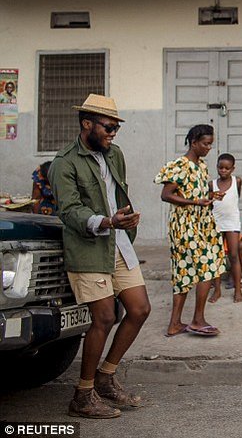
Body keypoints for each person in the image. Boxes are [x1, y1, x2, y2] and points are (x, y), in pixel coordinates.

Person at [49, 93, 150, 419]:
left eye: (116, 128)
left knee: (139, 309)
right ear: (87, 124)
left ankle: (106, 377)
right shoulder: (64, 163)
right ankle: (83, 394)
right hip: (88, 247)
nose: (112, 133)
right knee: (105, 317)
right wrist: (107, 221)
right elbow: (70, 211)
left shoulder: (114, 154)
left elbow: (118, 193)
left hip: (119, 243)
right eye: (108, 127)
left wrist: (126, 218)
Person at [155, 124, 225, 337]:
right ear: (193, 142)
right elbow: (166, 195)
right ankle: (197, 319)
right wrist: (194, 202)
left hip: (202, 223)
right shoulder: (180, 165)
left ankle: (174, 324)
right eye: (205, 144)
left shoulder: (202, 166)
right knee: (207, 266)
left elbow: (199, 192)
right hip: (185, 225)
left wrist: (211, 198)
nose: (208, 148)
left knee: (184, 271)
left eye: (211, 144)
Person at [209, 153, 242, 304]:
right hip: (216, 221)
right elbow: (209, 203)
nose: (223, 171)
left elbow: (237, 197)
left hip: (231, 221)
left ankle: (238, 289)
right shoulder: (212, 184)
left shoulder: (237, 181)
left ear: (232, 169)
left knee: (234, 255)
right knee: (216, 257)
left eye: (227, 168)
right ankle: (217, 290)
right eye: (220, 167)